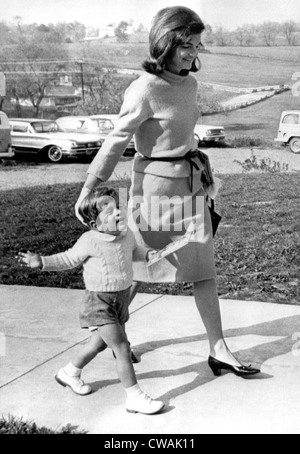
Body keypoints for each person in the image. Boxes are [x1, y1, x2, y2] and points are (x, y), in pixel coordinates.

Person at [75, 6, 260, 378]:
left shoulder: (189, 84)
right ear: (164, 44)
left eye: (196, 44)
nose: (193, 53)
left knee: (203, 267)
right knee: (140, 269)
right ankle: (112, 339)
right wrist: (90, 187)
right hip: (155, 193)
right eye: (185, 46)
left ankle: (219, 349)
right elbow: (116, 140)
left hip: (191, 187)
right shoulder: (144, 88)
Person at [17, 186, 164, 415]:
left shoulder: (127, 235)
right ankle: (134, 397)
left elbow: (134, 251)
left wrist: (147, 254)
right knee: (122, 348)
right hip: (99, 302)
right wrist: (42, 262)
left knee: (99, 343)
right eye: (109, 212)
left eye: (118, 208)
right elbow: (68, 258)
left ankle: (69, 371)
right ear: (95, 223)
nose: (117, 213)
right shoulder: (90, 240)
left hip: (120, 299)